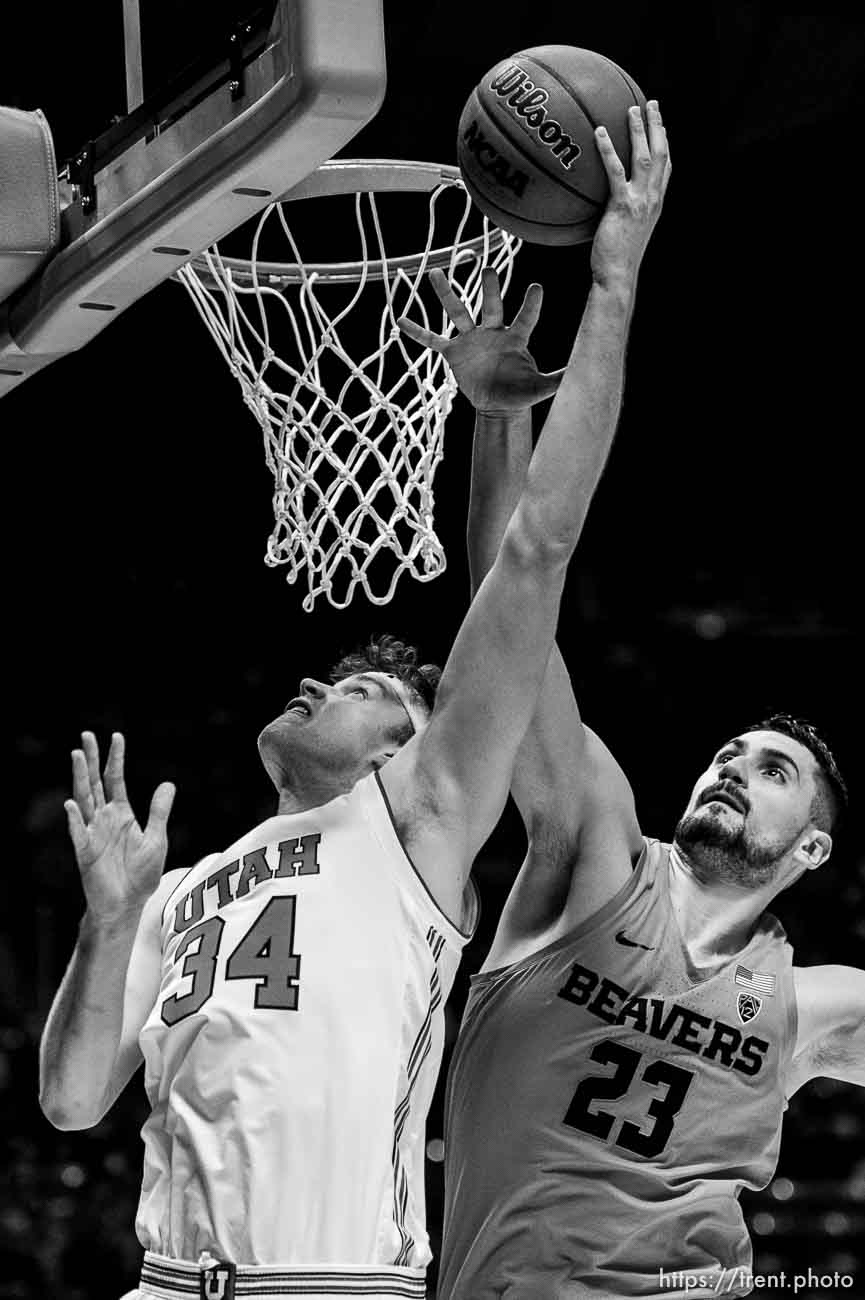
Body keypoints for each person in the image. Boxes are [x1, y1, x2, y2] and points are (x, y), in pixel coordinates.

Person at [37, 104, 670, 1300]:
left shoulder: (419, 823)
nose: (317, 680)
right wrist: (109, 917)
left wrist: (601, 292)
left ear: (413, 746)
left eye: (366, 687)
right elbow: (71, 1103)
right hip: (160, 1283)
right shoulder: (176, 889)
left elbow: (530, 554)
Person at [434, 144, 864, 1300]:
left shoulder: (814, 1005)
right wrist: (494, 424)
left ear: (812, 846)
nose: (733, 766)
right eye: (730, 752)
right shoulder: (590, 853)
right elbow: (512, 617)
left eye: (771, 771)